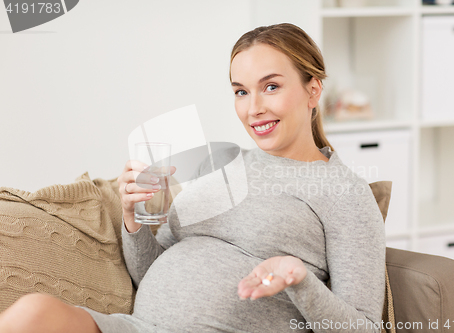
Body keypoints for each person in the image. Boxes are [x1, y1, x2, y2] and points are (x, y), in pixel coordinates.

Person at [0, 23, 386, 333]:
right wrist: (134, 221)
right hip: (136, 327)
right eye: (240, 91)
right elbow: (151, 272)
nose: (254, 108)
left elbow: (365, 328)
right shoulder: (225, 164)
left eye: (271, 87)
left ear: (312, 89)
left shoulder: (344, 193)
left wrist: (301, 281)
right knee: (34, 312)